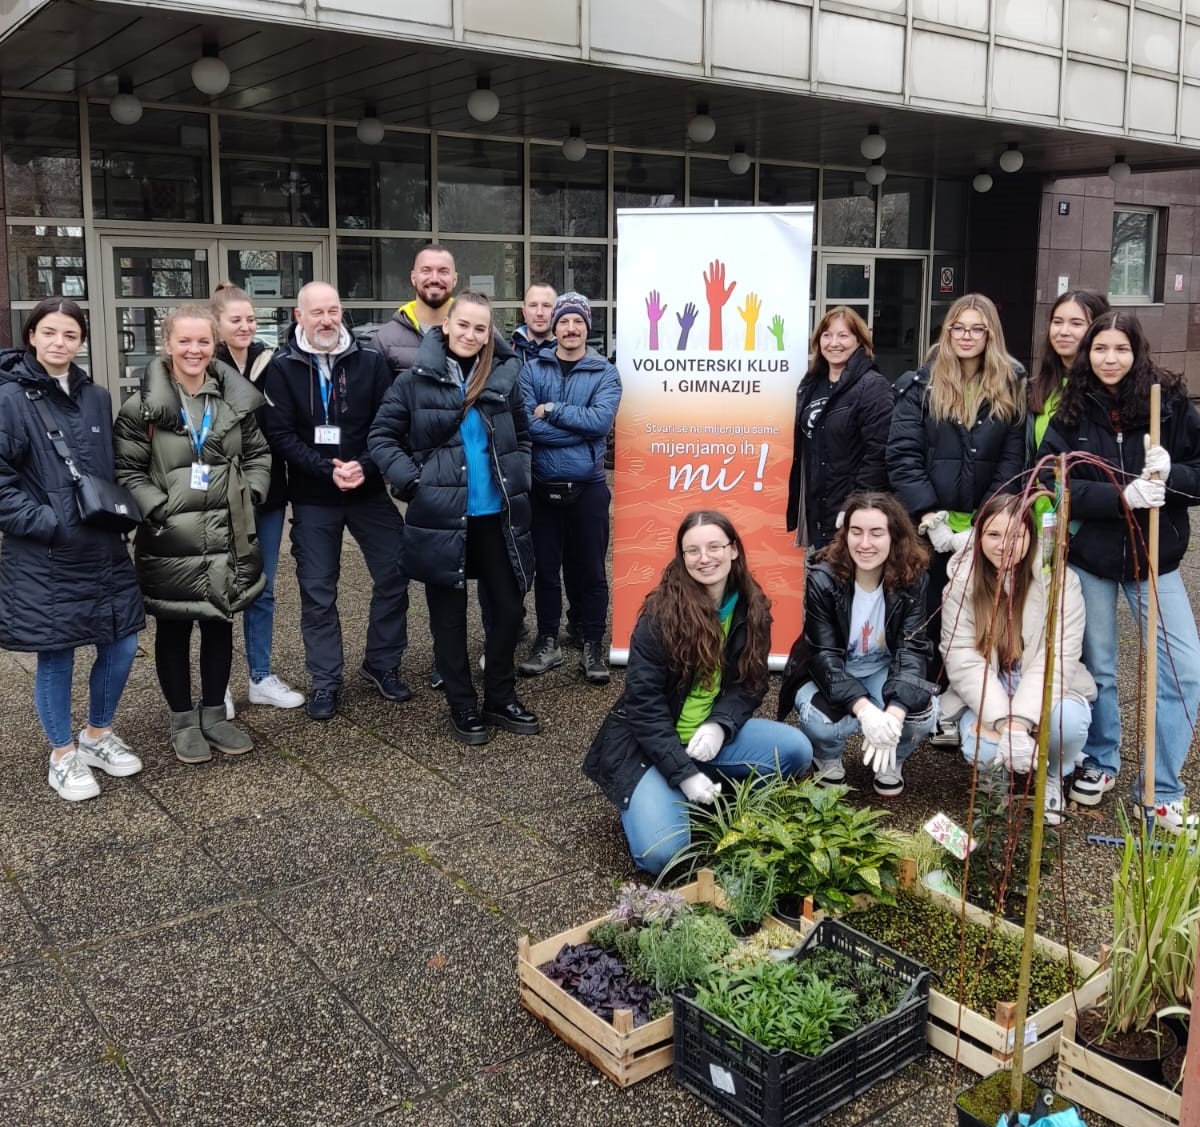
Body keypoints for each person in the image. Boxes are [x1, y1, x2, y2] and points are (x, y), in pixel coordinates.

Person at [1037, 310, 1200, 832]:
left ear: (1137, 352)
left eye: (1121, 349)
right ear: (1088, 353)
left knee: (1182, 669)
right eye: (1100, 349)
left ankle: (1161, 786)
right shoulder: (1071, 410)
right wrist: (1119, 496)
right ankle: (1102, 761)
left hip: (1156, 559)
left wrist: (1172, 475)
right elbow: (1052, 481)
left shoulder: (1168, 406)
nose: (1110, 359)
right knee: (1100, 670)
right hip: (1094, 559)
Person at [584, 511, 813, 876]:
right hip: (650, 747)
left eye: (714, 547)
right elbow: (644, 706)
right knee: (665, 856)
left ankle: (700, 776)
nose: (704, 558)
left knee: (797, 751)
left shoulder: (753, 606)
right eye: (692, 550)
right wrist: (683, 773)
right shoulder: (660, 614)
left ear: (733, 550)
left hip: (706, 735)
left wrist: (719, 726)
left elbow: (750, 684)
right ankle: (663, 790)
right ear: (682, 556)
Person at [368, 290, 537, 746]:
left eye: (480, 328)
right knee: (449, 619)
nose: (470, 334)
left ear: (489, 334)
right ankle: (462, 704)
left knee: (507, 610)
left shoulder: (505, 376)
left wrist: (519, 471)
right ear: (447, 325)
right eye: (463, 325)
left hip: (497, 516)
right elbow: (381, 437)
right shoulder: (414, 380)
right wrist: (414, 482)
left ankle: (499, 697)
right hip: (442, 518)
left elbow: (522, 436)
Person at [0, 298, 145, 800]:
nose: (59, 343)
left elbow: (106, 469)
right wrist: (48, 522)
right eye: (49, 332)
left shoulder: (96, 397)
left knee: (121, 642)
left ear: (81, 341)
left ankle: (97, 734)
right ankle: (61, 753)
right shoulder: (9, 399)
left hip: (102, 546)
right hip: (47, 552)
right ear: (32, 336)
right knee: (56, 654)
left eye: (69, 335)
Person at [114, 303, 270, 763]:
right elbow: (127, 470)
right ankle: (182, 719)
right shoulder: (141, 408)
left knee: (221, 621)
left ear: (214, 345)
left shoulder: (233, 401)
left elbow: (260, 454)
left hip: (226, 531)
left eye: (203, 341)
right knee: (176, 626)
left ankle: (214, 714)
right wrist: (158, 510)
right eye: (184, 341)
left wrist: (252, 494)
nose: (194, 350)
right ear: (167, 345)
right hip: (171, 537)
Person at [261, 282, 409, 720]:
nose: (327, 320)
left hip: (368, 490)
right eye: (317, 312)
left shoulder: (370, 362)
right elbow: (281, 435)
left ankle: (382, 664)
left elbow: (389, 423)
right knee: (318, 592)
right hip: (313, 497)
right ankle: (326, 680)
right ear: (298, 316)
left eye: (333, 310)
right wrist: (328, 470)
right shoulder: (282, 368)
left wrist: (365, 465)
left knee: (396, 573)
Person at [887, 292, 1025, 743]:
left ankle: (965, 704)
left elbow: (1011, 462)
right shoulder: (921, 385)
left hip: (986, 528)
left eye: (976, 329)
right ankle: (925, 705)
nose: (966, 337)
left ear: (990, 335)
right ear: (947, 332)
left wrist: (986, 525)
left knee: (977, 615)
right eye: (957, 328)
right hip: (931, 526)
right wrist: (930, 516)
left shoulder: (1011, 385)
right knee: (928, 613)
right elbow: (903, 454)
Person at [940, 494, 1095, 824]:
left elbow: (1057, 658)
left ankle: (1050, 775)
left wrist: (1019, 722)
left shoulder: (1060, 582)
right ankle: (995, 781)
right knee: (980, 749)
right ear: (978, 536)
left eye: (1016, 536)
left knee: (1066, 724)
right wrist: (1003, 722)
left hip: (1043, 683)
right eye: (993, 535)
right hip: (991, 686)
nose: (1003, 545)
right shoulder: (961, 584)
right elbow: (963, 659)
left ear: (1031, 536)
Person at [782, 492, 938, 798]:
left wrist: (894, 714)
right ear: (845, 534)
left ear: (895, 536)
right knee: (822, 723)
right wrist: (865, 710)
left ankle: (893, 758)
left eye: (876, 533)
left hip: (882, 667)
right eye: (856, 532)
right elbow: (823, 656)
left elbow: (912, 648)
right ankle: (826, 755)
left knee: (922, 715)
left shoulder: (913, 577)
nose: (864, 543)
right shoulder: (823, 578)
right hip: (832, 670)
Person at [519, 291, 622, 685]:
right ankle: (548, 641)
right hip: (542, 486)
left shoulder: (605, 372)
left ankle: (593, 643)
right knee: (546, 570)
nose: (570, 327)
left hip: (588, 488)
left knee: (591, 570)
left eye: (577, 321)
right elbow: (527, 424)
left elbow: (599, 424)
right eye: (564, 320)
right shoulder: (532, 371)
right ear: (554, 326)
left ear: (587, 327)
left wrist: (554, 411)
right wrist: (573, 433)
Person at [211, 284, 303, 714]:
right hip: (215, 497)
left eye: (250, 319)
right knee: (219, 589)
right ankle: (218, 684)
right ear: (217, 325)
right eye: (236, 320)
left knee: (261, 588)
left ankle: (260, 676)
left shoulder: (274, 364)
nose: (246, 326)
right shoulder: (204, 365)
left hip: (268, 492)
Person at [786, 306, 892, 549]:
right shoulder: (812, 383)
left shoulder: (873, 387)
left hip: (850, 513)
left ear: (859, 341)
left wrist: (853, 508)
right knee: (821, 580)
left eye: (843, 335)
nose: (834, 343)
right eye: (827, 335)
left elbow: (878, 456)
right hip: (817, 509)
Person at [371, 244, 458, 374]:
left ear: (454, 279)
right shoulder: (385, 340)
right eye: (426, 270)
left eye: (443, 271)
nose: (434, 278)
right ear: (413, 278)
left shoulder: (477, 332)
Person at [511, 282, 558, 364]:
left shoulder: (570, 354)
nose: (539, 313)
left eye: (546, 306)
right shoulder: (508, 353)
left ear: (557, 312)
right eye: (533, 305)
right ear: (524, 312)